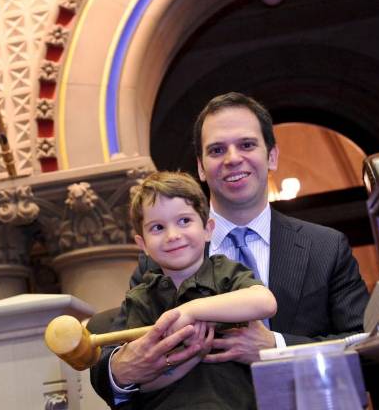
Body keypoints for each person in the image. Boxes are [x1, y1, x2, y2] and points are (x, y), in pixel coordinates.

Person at [90, 92, 369, 406]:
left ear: (272, 156)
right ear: (201, 167)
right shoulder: (159, 258)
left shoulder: (326, 248)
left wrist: (276, 347)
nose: (232, 158)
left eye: (247, 145)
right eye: (217, 150)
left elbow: (367, 349)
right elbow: (111, 371)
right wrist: (126, 370)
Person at [118, 170, 277, 409]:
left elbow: (265, 302)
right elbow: (143, 382)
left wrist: (191, 311)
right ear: (143, 245)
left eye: (184, 221)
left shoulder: (224, 272)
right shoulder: (141, 298)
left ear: (208, 229)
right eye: (158, 227)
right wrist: (190, 357)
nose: (173, 235)